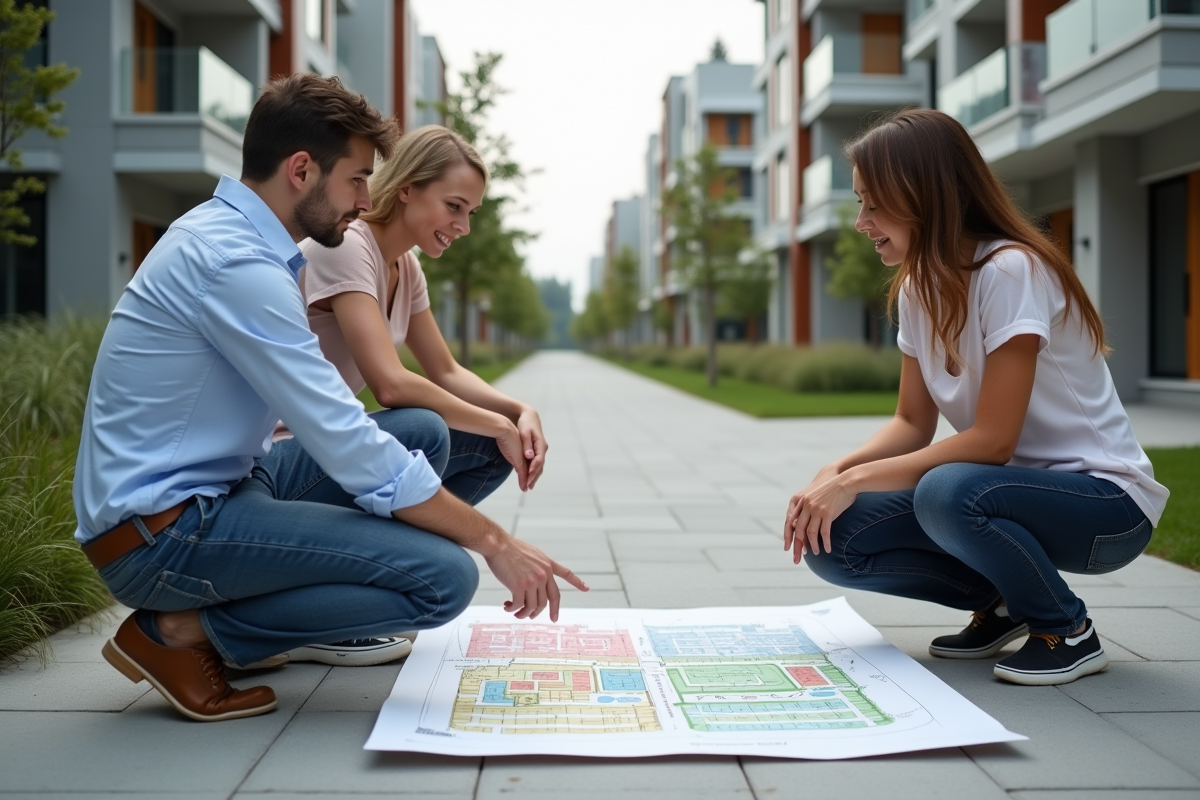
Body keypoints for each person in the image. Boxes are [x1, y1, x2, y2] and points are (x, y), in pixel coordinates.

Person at [73, 74, 587, 723]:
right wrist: (495, 542)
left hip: (222, 490)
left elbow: (383, 411)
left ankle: (304, 599)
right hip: (163, 537)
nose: (366, 198)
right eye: (357, 179)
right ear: (300, 170)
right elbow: (345, 437)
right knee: (444, 577)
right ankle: (180, 633)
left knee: (423, 441)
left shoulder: (240, 241)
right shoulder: (238, 266)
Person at [784, 108, 1168, 687]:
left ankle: (1066, 630)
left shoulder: (1010, 270)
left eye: (873, 202)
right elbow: (911, 422)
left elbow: (992, 442)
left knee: (946, 489)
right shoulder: (918, 287)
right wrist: (834, 472)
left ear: (923, 194)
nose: (861, 221)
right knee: (832, 539)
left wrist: (856, 481)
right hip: (1005, 497)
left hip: (1107, 507)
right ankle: (1009, 603)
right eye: (859, 203)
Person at [296, 123, 545, 522]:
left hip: (333, 442)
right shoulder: (347, 246)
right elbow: (390, 385)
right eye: (454, 206)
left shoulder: (406, 267)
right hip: (289, 450)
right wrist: (498, 424)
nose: (464, 227)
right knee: (424, 428)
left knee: (492, 447)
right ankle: (395, 548)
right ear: (407, 188)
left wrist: (518, 412)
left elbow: (445, 371)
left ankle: (401, 548)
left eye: (470, 212)